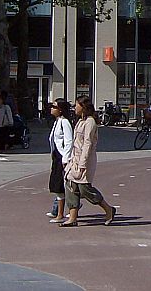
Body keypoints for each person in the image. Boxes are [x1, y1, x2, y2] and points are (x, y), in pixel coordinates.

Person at [59, 96, 116, 228]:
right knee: (70, 186)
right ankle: (72, 218)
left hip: (85, 160)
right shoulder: (80, 121)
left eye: (77, 105)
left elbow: (87, 144)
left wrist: (82, 163)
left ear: (83, 107)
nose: (74, 108)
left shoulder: (90, 122)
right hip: (75, 159)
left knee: (84, 189)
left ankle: (108, 209)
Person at [47, 99, 74, 222]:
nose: (51, 109)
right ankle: (62, 210)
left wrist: (65, 158)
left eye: (54, 107)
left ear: (60, 110)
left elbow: (69, 141)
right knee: (56, 184)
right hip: (56, 155)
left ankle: (61, 213)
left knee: (60, 185)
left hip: (62, 157)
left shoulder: (64, 122)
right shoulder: (57, 121)